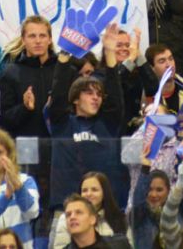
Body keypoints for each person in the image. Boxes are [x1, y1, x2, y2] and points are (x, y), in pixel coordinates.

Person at [48, 24, 129, 218]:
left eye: (99, 94)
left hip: (104, 210)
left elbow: (116, 98)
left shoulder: (107, 123)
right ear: (75, 98)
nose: (96, 98)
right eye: (88, 93)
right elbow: (58, 92)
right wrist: (65, 53)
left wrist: (109, 53)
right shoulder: (62, 122)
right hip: (66, 208)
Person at [0, 15, 58, 137]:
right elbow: (3, 120)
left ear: (50, 39)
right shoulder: (10, 73)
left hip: (58, 146)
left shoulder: (62, 71)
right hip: (25, 147)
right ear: (23, 40)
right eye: (32, 36)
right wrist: (24, 108)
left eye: (43, 35)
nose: (38, 41)